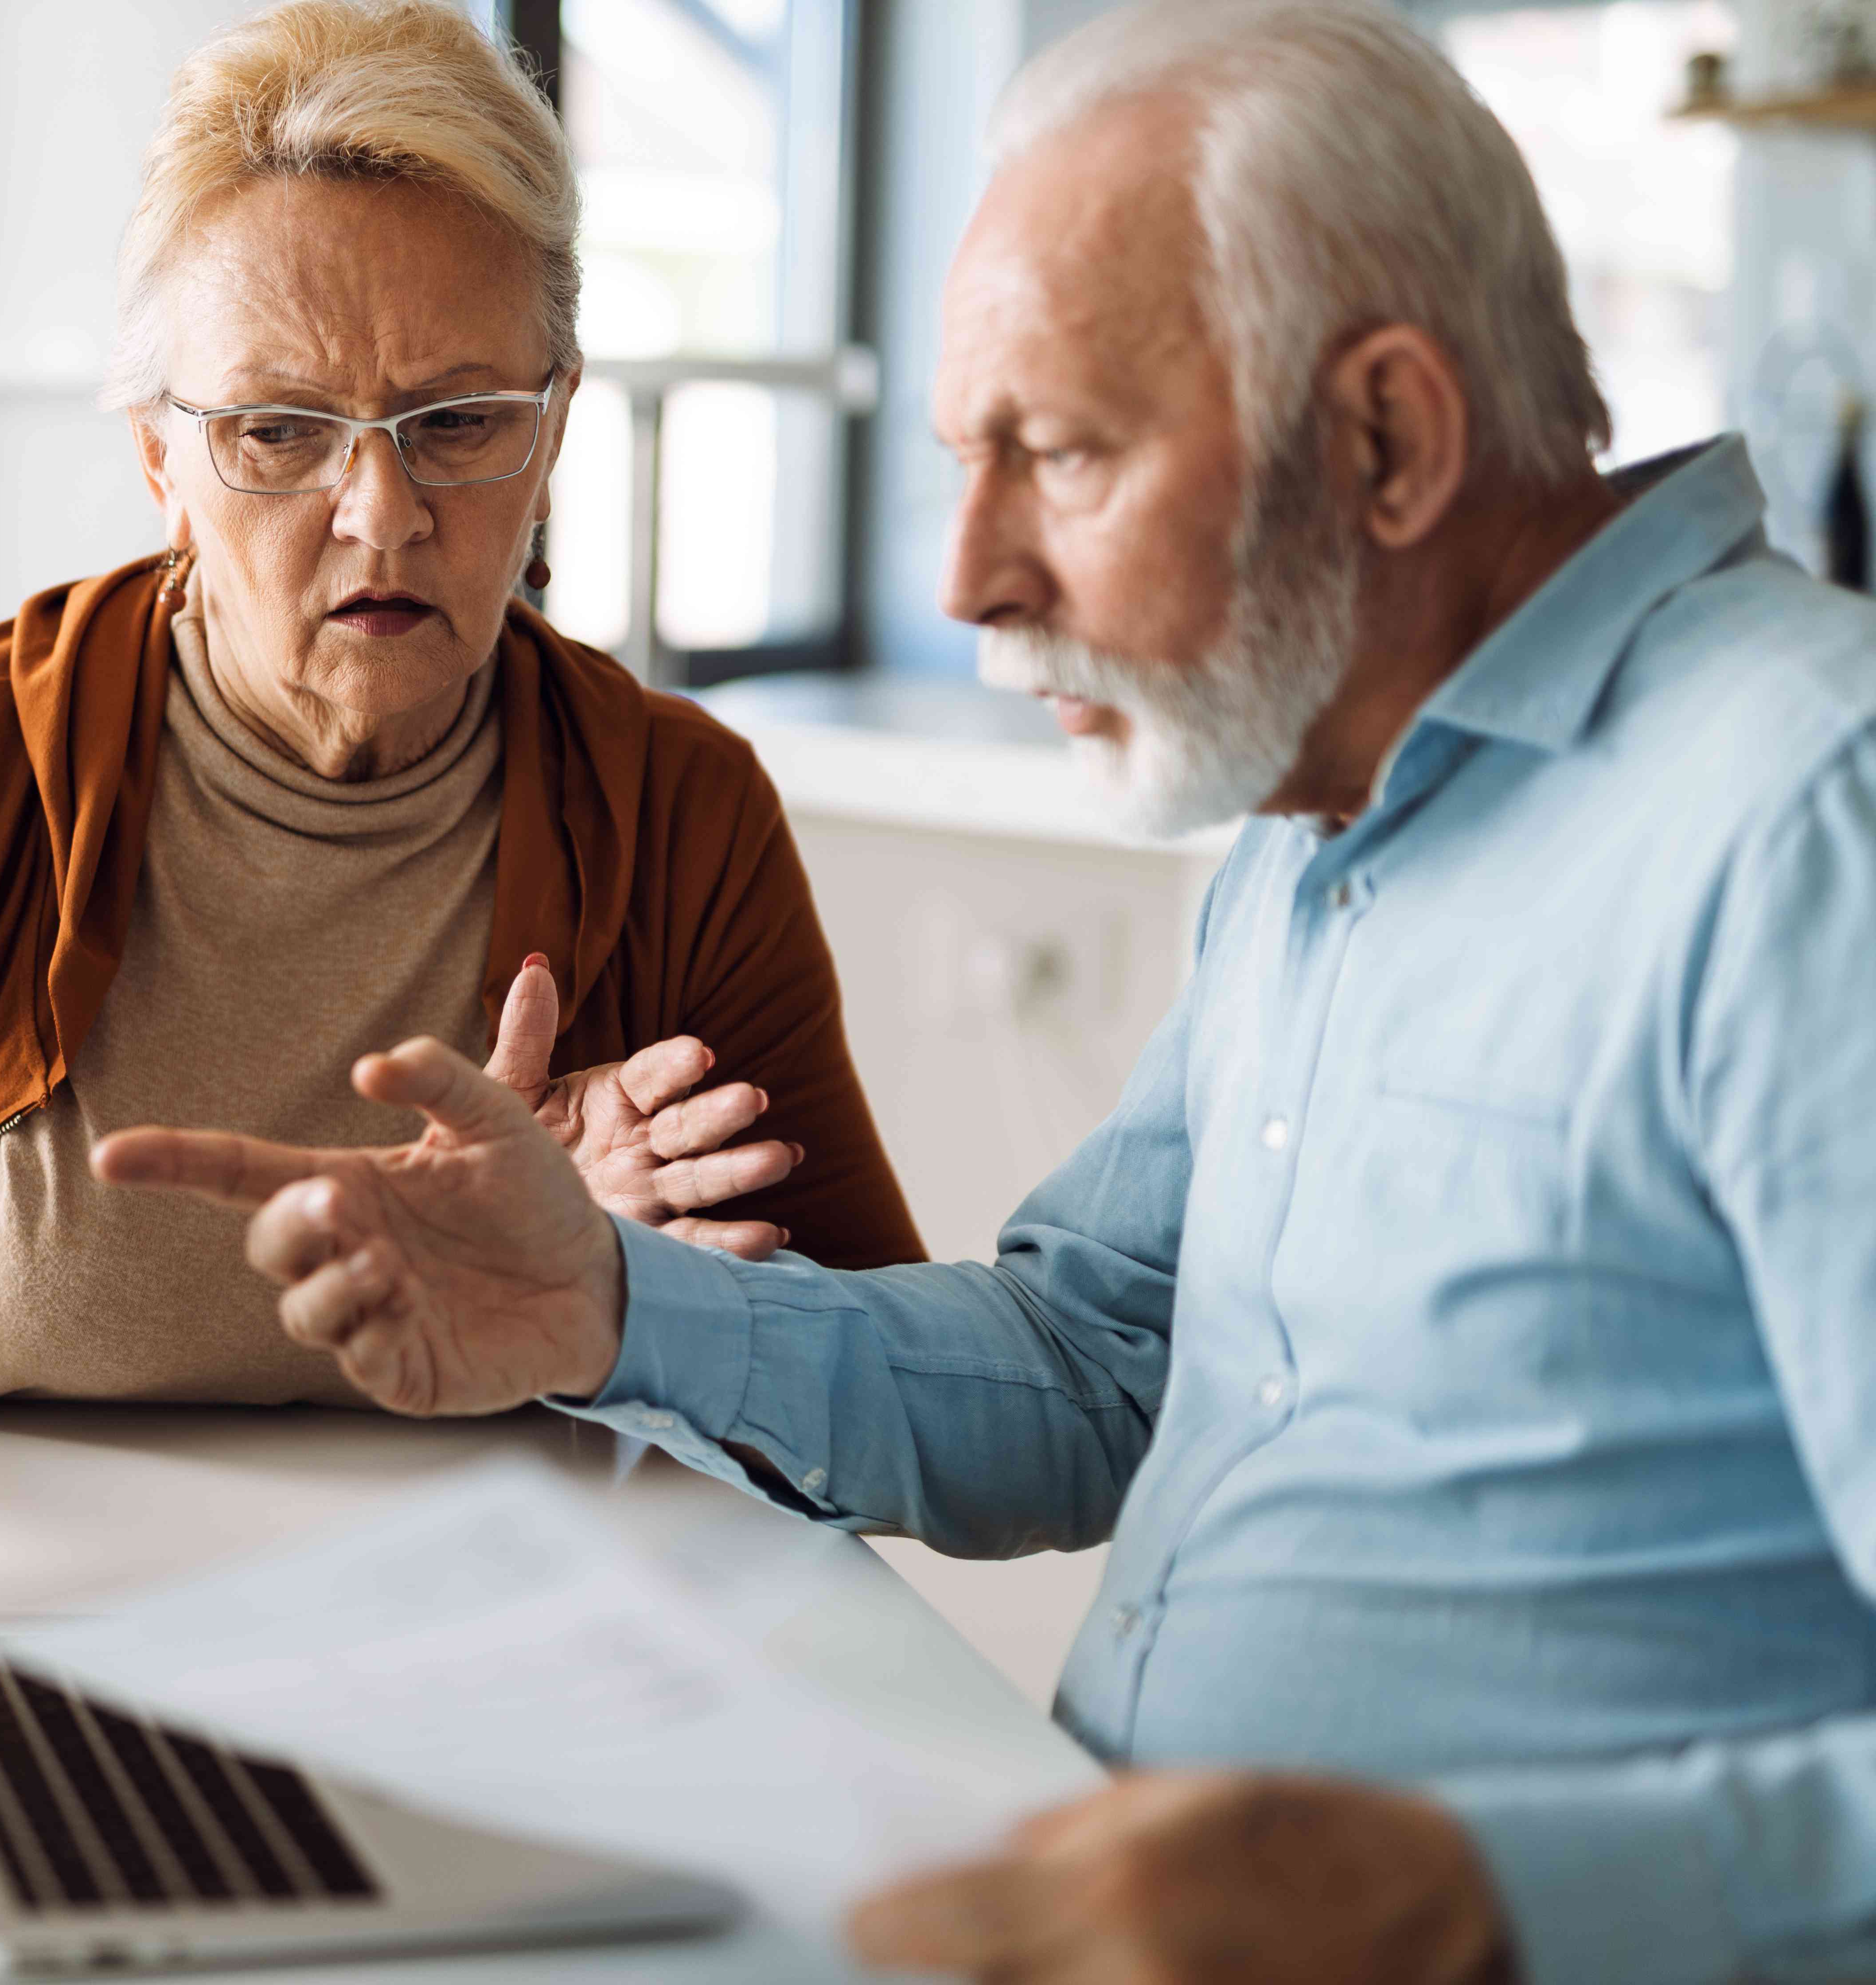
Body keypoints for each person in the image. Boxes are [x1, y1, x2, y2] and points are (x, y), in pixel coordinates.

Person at [93, 4, 1876, 1980]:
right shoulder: (1322, 803)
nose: (966, 578)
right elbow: (1107, 1367)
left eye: (1062, 453)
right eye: (961, 459)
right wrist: (600, 1303)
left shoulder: (1812, 828)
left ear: (1386, 438)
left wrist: (1471, 1899)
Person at [0, 0, 925, 1410]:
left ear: (553, 434)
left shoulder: (675, 810)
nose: (384, 513)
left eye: (458, 423)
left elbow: (883, 1400)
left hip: (468, 1631)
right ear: (162, 463)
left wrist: (628, 1298)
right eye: (279, 431)